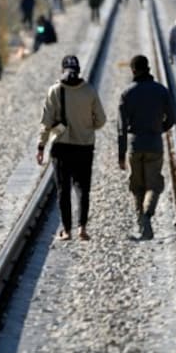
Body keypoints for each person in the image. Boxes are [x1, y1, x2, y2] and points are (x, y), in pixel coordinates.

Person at [37, 55, 106, 241]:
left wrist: (41, 145)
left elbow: (46, 122)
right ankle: (82, 228)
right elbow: (101, 120)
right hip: (84, 147)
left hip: (61, 147)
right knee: (83, 188)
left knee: (63, 189)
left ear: (62, 69)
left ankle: (67, 230)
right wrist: (86, 126)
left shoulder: (54, 90)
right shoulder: (89, 91)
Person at [118, 55, 175, 240]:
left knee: (137, 187)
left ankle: (143, 225)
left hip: (135, 145)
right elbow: (172, 118)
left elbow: (121, 128)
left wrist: (121, 154)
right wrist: (159, 129)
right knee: (154, 185)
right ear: (148, 68)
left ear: (133, 70)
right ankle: (147, 215)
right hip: (154, 144)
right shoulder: (161, 91)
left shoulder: (127, 94)